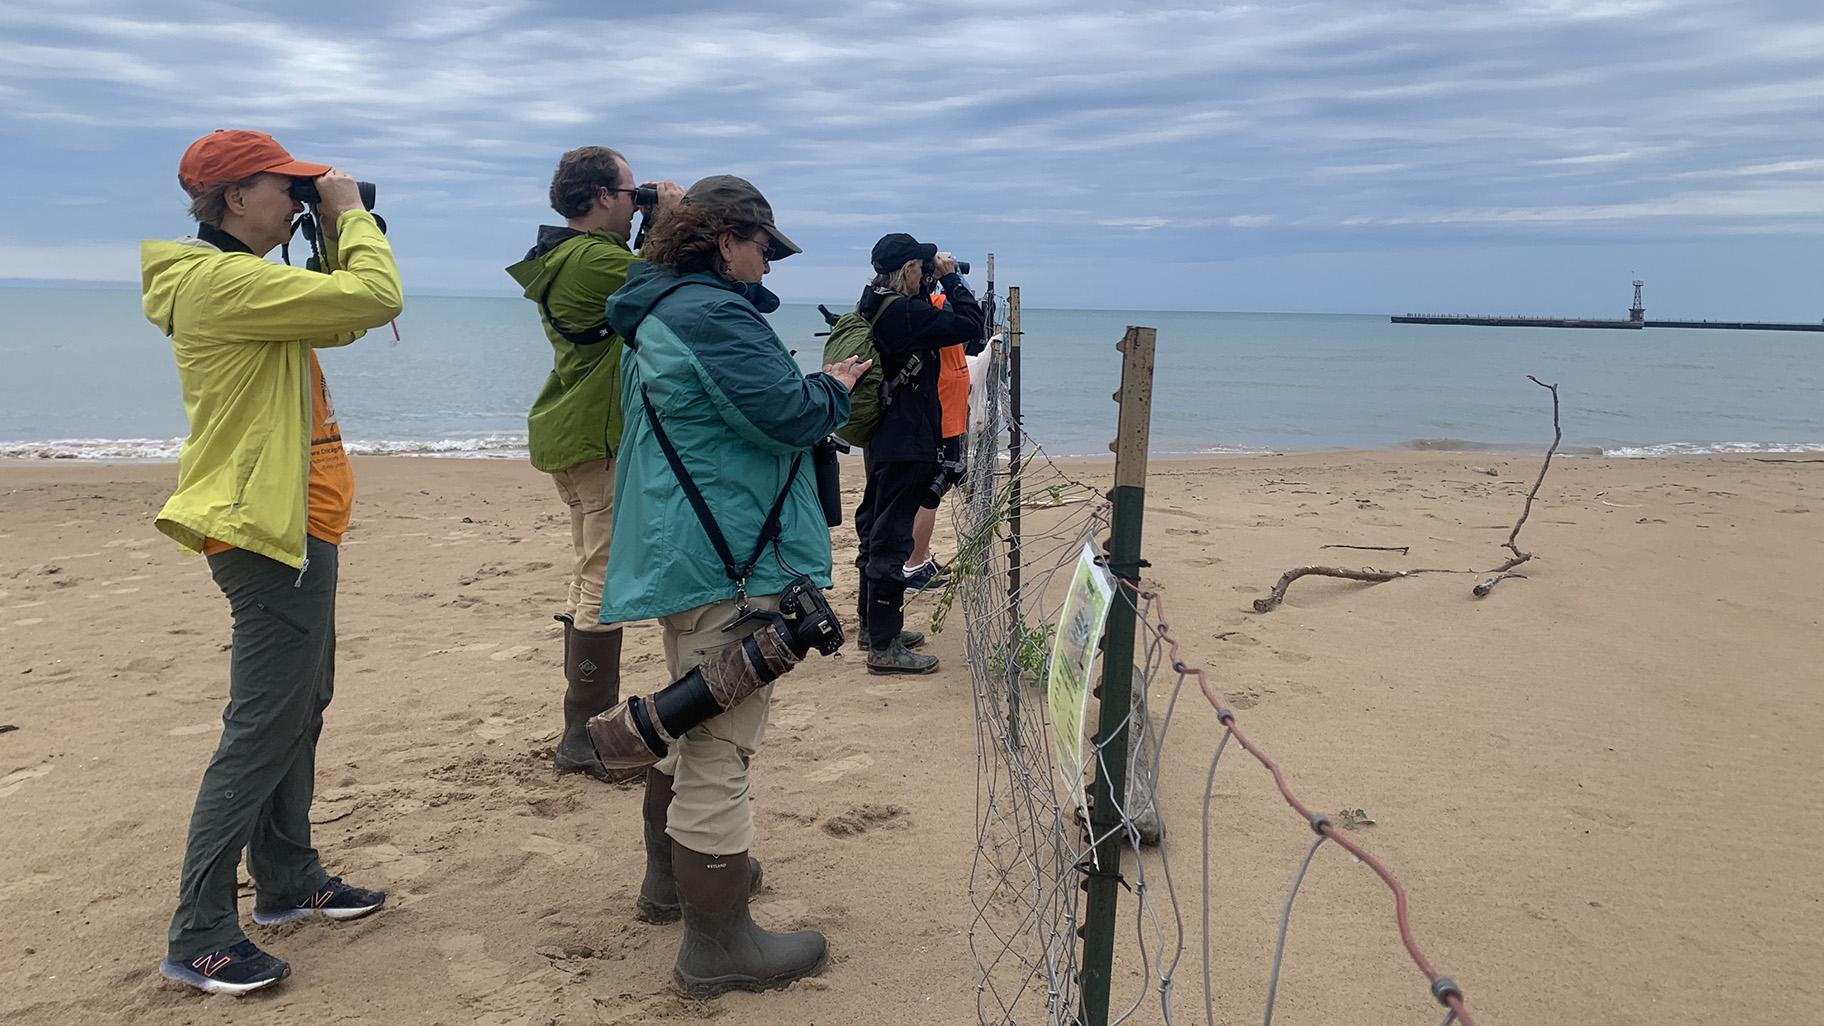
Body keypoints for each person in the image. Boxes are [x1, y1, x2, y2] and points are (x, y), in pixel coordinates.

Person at [143, 129, 404, 994]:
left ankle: (288, 880)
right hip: (265, 531)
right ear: (232, 199)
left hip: (297, 525)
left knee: (301, 704)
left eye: (304, 186)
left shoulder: (247, 281)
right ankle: (200, 932)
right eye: (282, 186)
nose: (297, 198)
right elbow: (376, 295)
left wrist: (332, 232)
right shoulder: (220, 281)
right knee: (260, 727)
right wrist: (353, 216)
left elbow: (344, 315)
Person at [600, 175, 869, 996]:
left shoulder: (656, 303)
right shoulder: (711, 312)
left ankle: (666, 885)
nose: (767, 266)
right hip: (731, 556)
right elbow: (787, 413)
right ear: (726, 240)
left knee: (692, 711)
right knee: (720, 742)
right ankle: (716, 947)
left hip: (684, 546)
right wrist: (837, 387)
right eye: (762, 247)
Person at [506, 147, 681, 782]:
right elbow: (665, 288)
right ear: (604, 196)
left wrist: (651, 222)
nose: (637, 201)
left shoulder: (572, 257)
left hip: (575, 430)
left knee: (590, 574)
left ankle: (583, 727)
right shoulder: (591, 261)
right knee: (601, 581)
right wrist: (672, 219)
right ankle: (585, 735)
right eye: (631, 192)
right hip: (596, 437)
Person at [851, 233, 984, 674]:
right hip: (907, 439)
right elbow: (971, 327)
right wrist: (952, 282)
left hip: (884, 436)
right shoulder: (903, 313)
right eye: (921, 268)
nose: (928, 274)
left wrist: (930, 283)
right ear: (908, 268)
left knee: (875, 529)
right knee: (891, 538)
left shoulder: (875, 303)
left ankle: (874, 627)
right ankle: (884, 649)